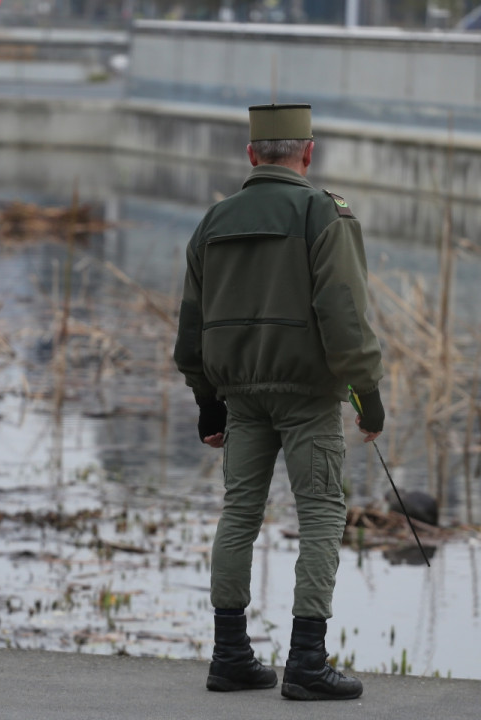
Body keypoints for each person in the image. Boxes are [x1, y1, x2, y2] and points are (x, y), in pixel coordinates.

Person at [174, 104, 384, 701]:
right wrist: (367, 397)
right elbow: (344, 317)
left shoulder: (214, 221)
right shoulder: (324, 213)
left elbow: (192, 325)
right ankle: (308, 663)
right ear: (308, 154)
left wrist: (206, 402)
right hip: (306, 399)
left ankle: (230, 656)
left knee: (239, 512)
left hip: (239, 398)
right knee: (319, 512)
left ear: (251, 155)